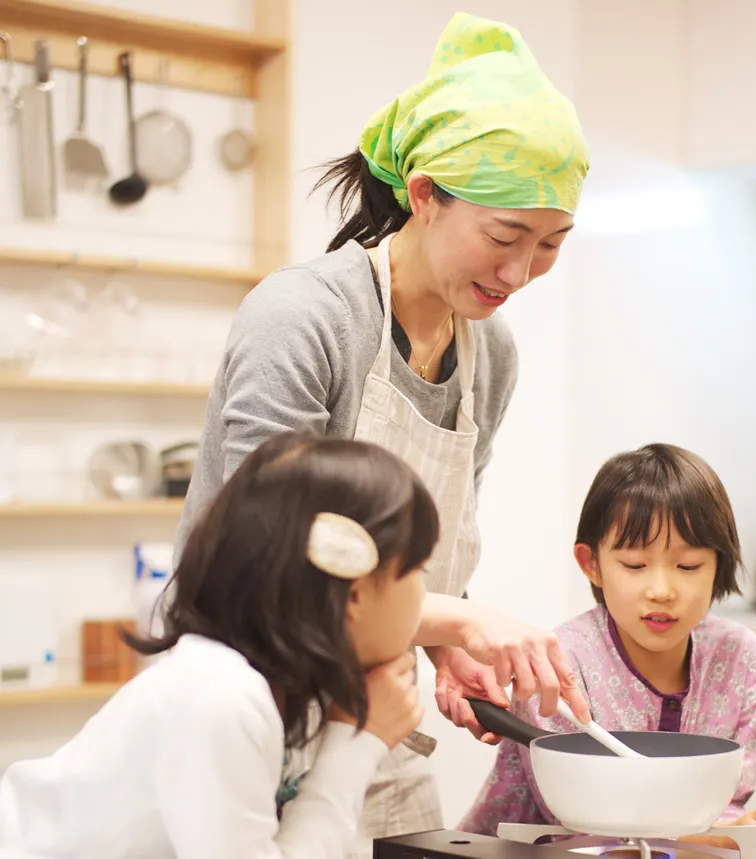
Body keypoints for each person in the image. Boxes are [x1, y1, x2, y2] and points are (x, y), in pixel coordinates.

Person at [173, 10, 592, 855]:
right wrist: (452, 624)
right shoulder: (307, 319)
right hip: (247, 711)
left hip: (377, 719)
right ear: (425, 193)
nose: (519, 272)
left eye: (550, 243)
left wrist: (448, 645)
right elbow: (272, 560)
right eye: (505, 234)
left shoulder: (490, 355)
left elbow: (425, 554)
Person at [0, 432, 439, 859]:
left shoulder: (261, 685)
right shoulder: (223, 697)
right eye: (418, 568)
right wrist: (359, 742)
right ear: (356, 595)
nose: (424, 592)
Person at [459, 443, 756, 859]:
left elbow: (726, 804)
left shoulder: (742, 658)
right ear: (591, 563)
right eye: (634, 565)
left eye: (687, 567)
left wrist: (749, 836)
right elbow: (579, 824)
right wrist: (717, 839)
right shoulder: (562, 665)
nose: (661, 591)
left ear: (720, 564)